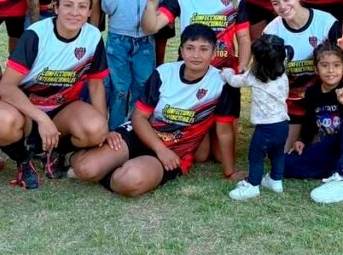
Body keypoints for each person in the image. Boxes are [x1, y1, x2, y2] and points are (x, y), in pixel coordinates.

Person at [70, 24, 236, 197]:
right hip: (140, 135)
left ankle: (116, 170)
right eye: (190, 48)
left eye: (203, 49)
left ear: (214, 52)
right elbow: (139, 118)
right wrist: (159, 148)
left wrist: (229, 172)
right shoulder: (164, 73)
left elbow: (224, 132)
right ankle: (73, 157)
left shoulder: (221, 83)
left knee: (128, 181)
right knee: (86, 168)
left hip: (173, 151)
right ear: (181, 50)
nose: (196, 55)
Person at [141, 0, 250, 178]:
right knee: (201, 156)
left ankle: (213, 127)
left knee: (221, 155)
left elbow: (243, 40)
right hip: (194, 78)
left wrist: (240, 69)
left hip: (223, 79)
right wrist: (151, 3)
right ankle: (202, 129)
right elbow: (151, 26)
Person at [0, 0, 109, 189]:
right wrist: (41, 118)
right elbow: (6, 87)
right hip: (25, 109)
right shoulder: (36, 35)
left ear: (89, 12)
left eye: (81, 7)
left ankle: (54, 152)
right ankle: (23, 160)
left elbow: (96, 85)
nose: (74, 12)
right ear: (56, 7)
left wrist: (103, 129)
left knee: (96, 129)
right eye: (68, 5)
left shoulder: (93, 37)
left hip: (63, 109)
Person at [262, 0, 343, 151]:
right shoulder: (271, 32)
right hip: (292, 104)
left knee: (324, 149)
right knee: (282, 152)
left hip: (324, 101)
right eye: (276, 3)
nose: (282, 7)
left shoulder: (326, 23)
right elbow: (266, 80)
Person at [102, 0, 173, 129]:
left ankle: (136, 129)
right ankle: (115, 129)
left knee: (142, 85)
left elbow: (168, 5)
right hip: (118, 40)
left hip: (144, 40)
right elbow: (108, 8)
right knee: (120, 87)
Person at [285, 40, 343, 204]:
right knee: (283, 165)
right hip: (332, 147)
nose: (331, 70)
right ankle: (338, 169)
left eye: (336, 65)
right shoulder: (312, 92)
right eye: (325, 65)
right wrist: (302, 140)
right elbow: (310, 119)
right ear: (316, 69)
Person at [222, 34, 290, 200]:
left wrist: (227, 72)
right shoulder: (282, 74)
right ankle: (275, 180)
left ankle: (253, 185)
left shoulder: (254, 78)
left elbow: (234, 81)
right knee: (278, 153)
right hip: (283, 124)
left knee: (256, 156)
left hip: (266, 128)